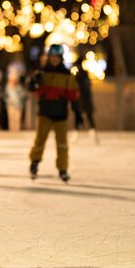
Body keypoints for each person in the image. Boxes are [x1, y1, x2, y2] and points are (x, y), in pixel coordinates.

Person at [28, 44, 80, 182]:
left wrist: (77, 113)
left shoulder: (67, 75)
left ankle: (62, 169)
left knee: (62, 144)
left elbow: (72, 95)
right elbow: (31, 88)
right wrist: (34, 82)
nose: (54, 59)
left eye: (56, 57)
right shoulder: (41, 72)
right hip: (44, 112)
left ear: (60, 58)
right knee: (40, 140)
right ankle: (34, 163)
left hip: (60, 113)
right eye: (51, 57)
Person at [74, 56, 98, 143]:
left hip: (83, 99)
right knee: (85, 117)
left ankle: (92, 136)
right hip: (84, 99)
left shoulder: (80, 75)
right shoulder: (84, 74)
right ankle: (92, 136)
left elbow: (81, 87)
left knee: (83, 117)